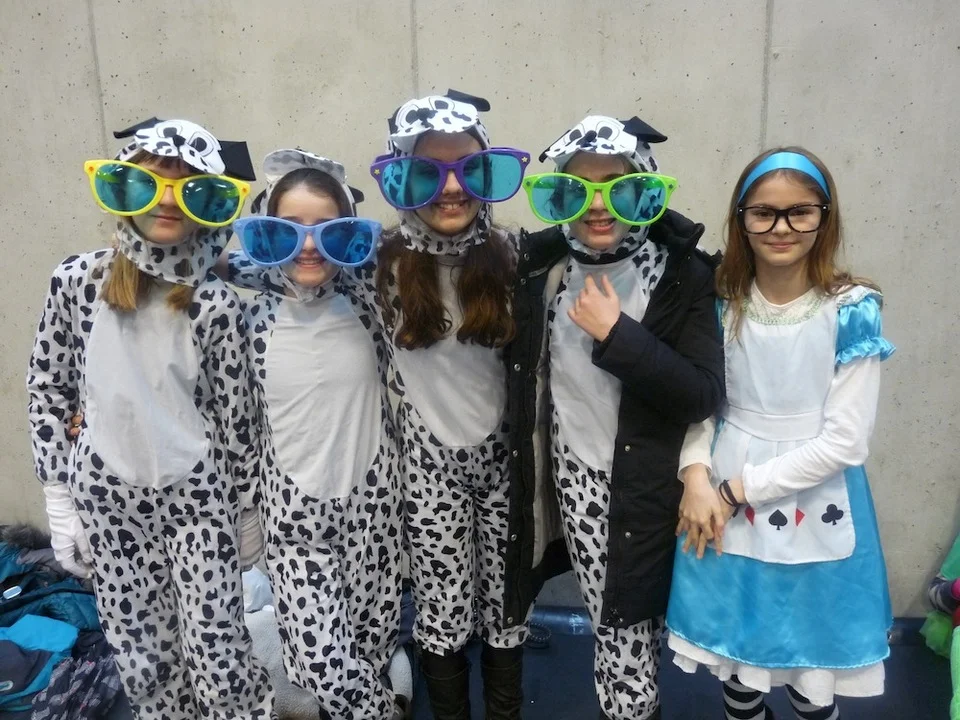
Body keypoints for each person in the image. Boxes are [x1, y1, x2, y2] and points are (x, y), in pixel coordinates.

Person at [26, 118, 274, 719]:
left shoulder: (213, 302)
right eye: (151, 183)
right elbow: (49, 389)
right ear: (123, 187)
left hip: (199, 502)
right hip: (109, 501)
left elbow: (238, 418)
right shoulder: (77, 283)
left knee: (220, 657)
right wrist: (59, 497)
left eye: (187, 188)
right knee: (143, 661)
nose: (166, 202)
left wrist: (246, 510)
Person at [503, 115, 725, 720]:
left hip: (653, 488)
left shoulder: (682, 272)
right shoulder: (542, 269)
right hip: (578, 483)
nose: (598, 207)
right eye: (579, 190)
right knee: (618, 636)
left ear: (644, 188)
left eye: (617, 189)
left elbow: (702, 394)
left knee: (644, 638)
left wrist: (617, 335)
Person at [667, 147, 895, 720]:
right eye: (764, 212)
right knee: (736, 658)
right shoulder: (721, 303)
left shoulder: (852, 309)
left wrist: (735, 491)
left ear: (825, 217)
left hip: (811, 496)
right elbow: (703, 403)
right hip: (720, 496)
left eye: (800, 212)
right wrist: (695, 476)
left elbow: (845, 442)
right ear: (741, 219)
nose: (781, 227)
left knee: (809, 668)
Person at [363, 90, 532, 719]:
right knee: (441, 610)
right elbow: (289, 264)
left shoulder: (517, 257)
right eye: (430, 172)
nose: (453, 188)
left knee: (507, 605)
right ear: (403, 177)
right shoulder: (378, 265)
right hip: (427, 468)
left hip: (504, 464)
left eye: (469, 168)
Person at [224, 148, 408, 719]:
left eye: (326, 229)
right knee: (321, 664)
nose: (308, 245)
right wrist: (247, 517)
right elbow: (239, 428)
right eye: (290, 229)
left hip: (375, 511)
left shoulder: (371, 302)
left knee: (373, 646)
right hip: (293, 523)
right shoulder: (248, 321)